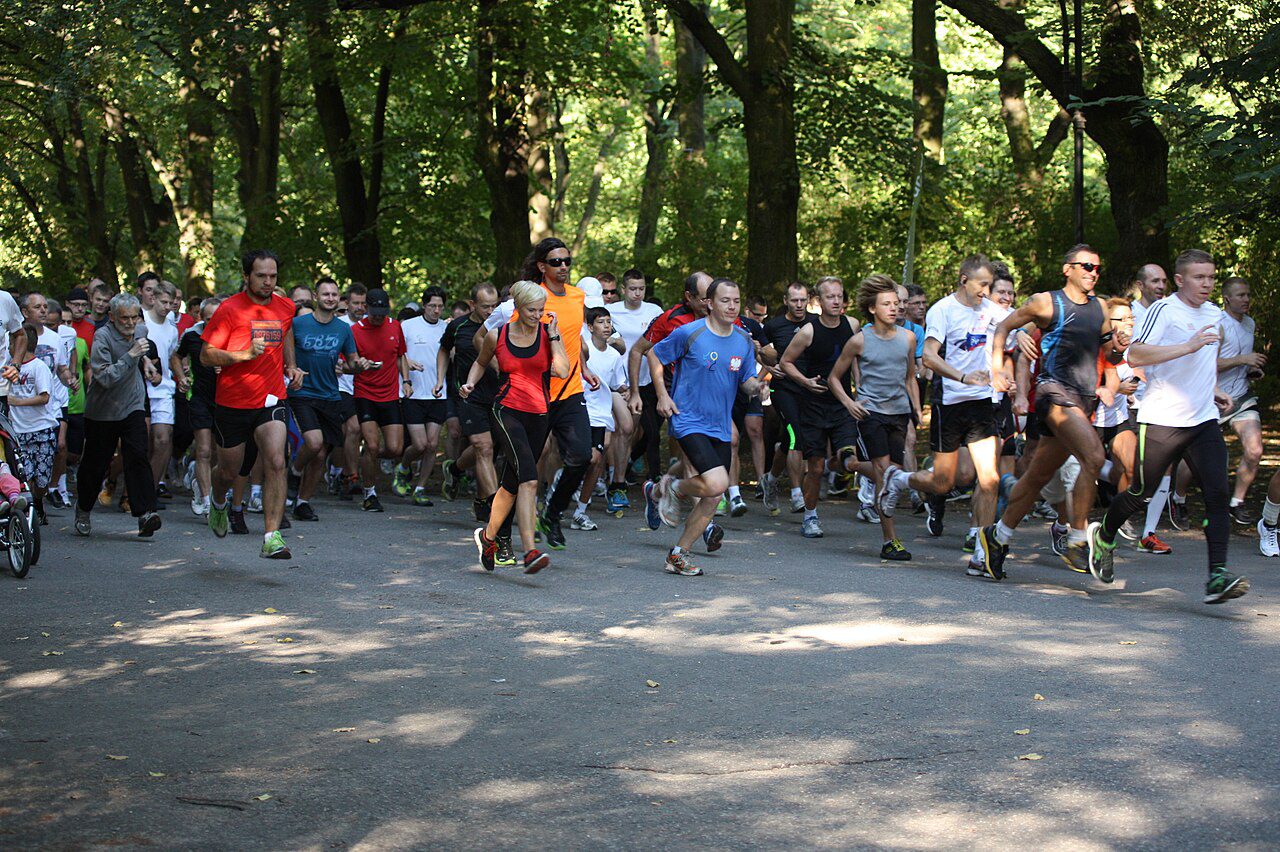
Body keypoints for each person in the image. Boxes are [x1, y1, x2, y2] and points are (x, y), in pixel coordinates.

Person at [1088, 250, 1247, 605]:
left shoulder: (1214, 314)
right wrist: (1187, 346)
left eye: (1210, 277)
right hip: (1161, 418)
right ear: (1180, 280)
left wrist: (1216, 390)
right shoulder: (1164, 310)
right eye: (1198, 277)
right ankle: (1105, 536)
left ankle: (1217, 575)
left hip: (1203, 418)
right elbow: (1136, 355)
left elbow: (1203, 365)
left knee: (1218, 494)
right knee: (1141, 491)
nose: (1206, 284)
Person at [977, 245, 1113, 579]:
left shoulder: (1102, 308)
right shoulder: (1046, 302)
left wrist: (1117, 368)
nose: (1092, 272)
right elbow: (1003, 328)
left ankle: (997, 537)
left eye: (1097, 268)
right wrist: (999, 369)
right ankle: (1078, 540)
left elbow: (1110, 352)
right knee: (1093, 457)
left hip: (1084, 400)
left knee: (1037, 476)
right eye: (1085, 266)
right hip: (1053, 394)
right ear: (1068, 269)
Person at [881, 255, 1007, 577]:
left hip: (981, 403)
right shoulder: (942, 310)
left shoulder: (990, 310)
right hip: (948, 403)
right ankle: (899, 479)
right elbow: (930, 358)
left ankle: (982, 550)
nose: (986, 291)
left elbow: (1016, 325)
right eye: (982, 284)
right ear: (964, 280)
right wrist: (963, 378)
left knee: (989, 478)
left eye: (990, 285)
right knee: (944, 481)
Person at [482, 239, 598, 551]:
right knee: (520, 473)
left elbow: (572, 340)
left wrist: (584, 368)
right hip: (533, 398)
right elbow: (484, 337)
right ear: (541, 266)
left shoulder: (577, 298)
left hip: (571, 392)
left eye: (567, 261)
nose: (563, 267)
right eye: (556, 262)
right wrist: (506, 371)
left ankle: (553, 513)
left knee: (583, 456)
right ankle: (500, 538)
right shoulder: (524, 300)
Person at [644, 278, 765, 576]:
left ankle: (678, 554)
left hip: (720, 425)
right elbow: (654, 355)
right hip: (687, 418)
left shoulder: (743, 340)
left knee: (712, 497)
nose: (732, 306)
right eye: (725, 300)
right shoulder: (690, 332)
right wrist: (662, 395)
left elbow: (746, 379)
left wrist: (757, 387)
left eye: (736, 301)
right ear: (709, 303)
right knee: (716, 483)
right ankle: (672, 487)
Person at [201, 250, 302, 559]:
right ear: (247, 276)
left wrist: (291, 367)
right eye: (261, 276)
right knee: (228, 472)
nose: (268, 282)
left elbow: (286, 333)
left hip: (271, 398)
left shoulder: (285, 306)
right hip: (232, 402)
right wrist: (241, 355)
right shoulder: (229, 310)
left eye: (273, 276)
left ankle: (272, 535)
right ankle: (218, 501)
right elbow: (206, 355)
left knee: (276, 461)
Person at [470, 282, 569, 574]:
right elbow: (480, 362)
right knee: (528, 479)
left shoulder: (548, 333)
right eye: (531, 310)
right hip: (506, 410)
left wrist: (554, 338)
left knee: (511, 484)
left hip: (539, 414)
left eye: (541, 310)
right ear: (516, 308)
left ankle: (487, 537)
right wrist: (470, 383)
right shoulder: (497, 335)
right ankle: (529, 550)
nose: (537, 315)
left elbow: (562, 371)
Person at [828, 275, 920, 561]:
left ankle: (849, 464)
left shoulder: (908, 338)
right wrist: (849, 402)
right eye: (887, 304)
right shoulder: (859, 341)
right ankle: (889, 540)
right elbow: (834, 378)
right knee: (884, 473)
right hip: (872, 414)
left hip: (899, 413)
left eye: (896, 303)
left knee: (892, 473)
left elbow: (909, 378)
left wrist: (916, 411)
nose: (894, 309)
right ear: (872, 308)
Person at [778, 277, 861, 539]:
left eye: (839, 296)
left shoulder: (853, 325)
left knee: (850, 459)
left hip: (843, 405)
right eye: (830, 297)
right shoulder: (808, 331)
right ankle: (810, 516)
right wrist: (805, 382)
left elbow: (857, 360)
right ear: (819, 302)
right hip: (813, 406)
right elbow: (786, 362)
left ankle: (836, 468)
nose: (836, 301)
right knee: (814, 468)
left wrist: (861, 389)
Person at [75, 293, 161, 537]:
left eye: (135, 317)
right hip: (103, 410)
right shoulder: (102, 337)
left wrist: (146, 362)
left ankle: (145, 514)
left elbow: (140, 352)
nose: (131, 323)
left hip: (132, 404)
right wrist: (132, 355)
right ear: (112, 317)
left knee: (137, 454)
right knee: (95, 464)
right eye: (125, 318)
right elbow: (104, 377)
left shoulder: (141, 330)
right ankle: (83, 508)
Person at [288, 279, 365, 521]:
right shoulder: (298, 324)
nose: (330, 298)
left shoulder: (343, 329)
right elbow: (283, 354)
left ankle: (302, 502)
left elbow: (351, 362)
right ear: (315, 296)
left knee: (321, 455)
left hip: (330, 395)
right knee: (313, 443)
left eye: (334, 294)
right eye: (325, 294)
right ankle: (294, 472)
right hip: (302, 393)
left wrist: (359, 365)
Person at [351, 288, 413, 512]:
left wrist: (406, 381)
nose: (377, 316)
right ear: (366, 308)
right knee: (373, 444)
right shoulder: (355, 331)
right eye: (373, 311)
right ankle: (369, 493)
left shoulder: (395, 326)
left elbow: (401, 356)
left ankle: (368, 458)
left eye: (381, 312)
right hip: (365, 393)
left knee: (395, 448)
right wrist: (358, 365)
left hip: (389, 394)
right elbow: (348, 364)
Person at [605, 268, 661, 505]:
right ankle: (615, 480)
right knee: (622, 429)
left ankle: (618, 473)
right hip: (618, 380)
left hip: (645, 379)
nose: (638, 293)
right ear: (623, 290)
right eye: (633, 289)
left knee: (632, 432)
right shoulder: (611, 310)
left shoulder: (654, 311)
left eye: (642, 289)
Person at [1212, 277, 1263, 526]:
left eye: (1248, 294)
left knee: (1255, 450)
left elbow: (1244, 361)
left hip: (1242, 397)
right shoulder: (1218, 325)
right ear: (1227, 299)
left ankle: (1237, 503)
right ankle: (1177, 498)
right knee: (1199, 462)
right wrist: (1243, 360)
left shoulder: (1249, 323)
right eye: (1240, 295)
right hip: (1213, 399)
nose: (1246, 299)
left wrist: (1252, 369)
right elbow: (1208, 365)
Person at [574, 306, 629, 529]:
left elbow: (617, 383)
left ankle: (580, 511)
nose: (606, 326)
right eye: (600, 322)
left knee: (596, 460)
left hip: (601, 414)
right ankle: (560, 484)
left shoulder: (615, 356)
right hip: (580, 410)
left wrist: (627, 391)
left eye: (608, 322)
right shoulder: (584, 351)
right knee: (589, 458)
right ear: (590, 327)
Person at [395, 286, 449, 506]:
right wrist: (407, 364)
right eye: (432, 306)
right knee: (419, 444)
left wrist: (441, 381)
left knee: (432, 445)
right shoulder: (407, 326)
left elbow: (450, 355)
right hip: (413, 392)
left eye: (440, 306)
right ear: (424, 305)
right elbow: (396, 353)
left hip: (437, 392)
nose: (436, 310)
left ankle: (420, 487)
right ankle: (404, 467)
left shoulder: (446, 328)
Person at [759, 282, 810, 514]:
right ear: (786, 301)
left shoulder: (815, 323)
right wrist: (769, 365)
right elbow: (757, 348)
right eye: (794, 300)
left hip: (808, 390)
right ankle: (797, 494)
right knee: (795, 435)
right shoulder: (773, 326)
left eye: (803, 300)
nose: (799, 305)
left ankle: (770, 479)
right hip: (782, 390)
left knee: (788, 441)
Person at [8, 324, 59, 526]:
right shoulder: (8, 368)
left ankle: (38, 501)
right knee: (24, 474)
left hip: (41, 431)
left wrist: (17, 402)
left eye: (12, 342)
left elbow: (44, 397)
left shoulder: (39, 367)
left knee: (42, 479)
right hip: (19, 431)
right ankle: (29, 512)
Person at [178, 297, 219, 515]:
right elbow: (176, 356)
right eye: (209, 319)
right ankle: (206, 499)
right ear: (200, 317)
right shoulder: (192, 335)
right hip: (200, 398)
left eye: (218, 318)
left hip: (225, 400)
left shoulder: (232, 335)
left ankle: (202, 483)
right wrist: (181, 378)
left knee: (218, 452)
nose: (214, 323)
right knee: (203, 450)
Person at [143, 281, 185, 496]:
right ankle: (121, 485)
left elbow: (171, 356)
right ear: (153, 298)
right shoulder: (142, 321)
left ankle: (149, 489)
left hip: (164, 388)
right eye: (163, 302)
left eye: (172, 302)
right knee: (143, 441)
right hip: (142, 388)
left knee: (163, 439)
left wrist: (180, 376)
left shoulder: (172, 329)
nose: (168, 306)